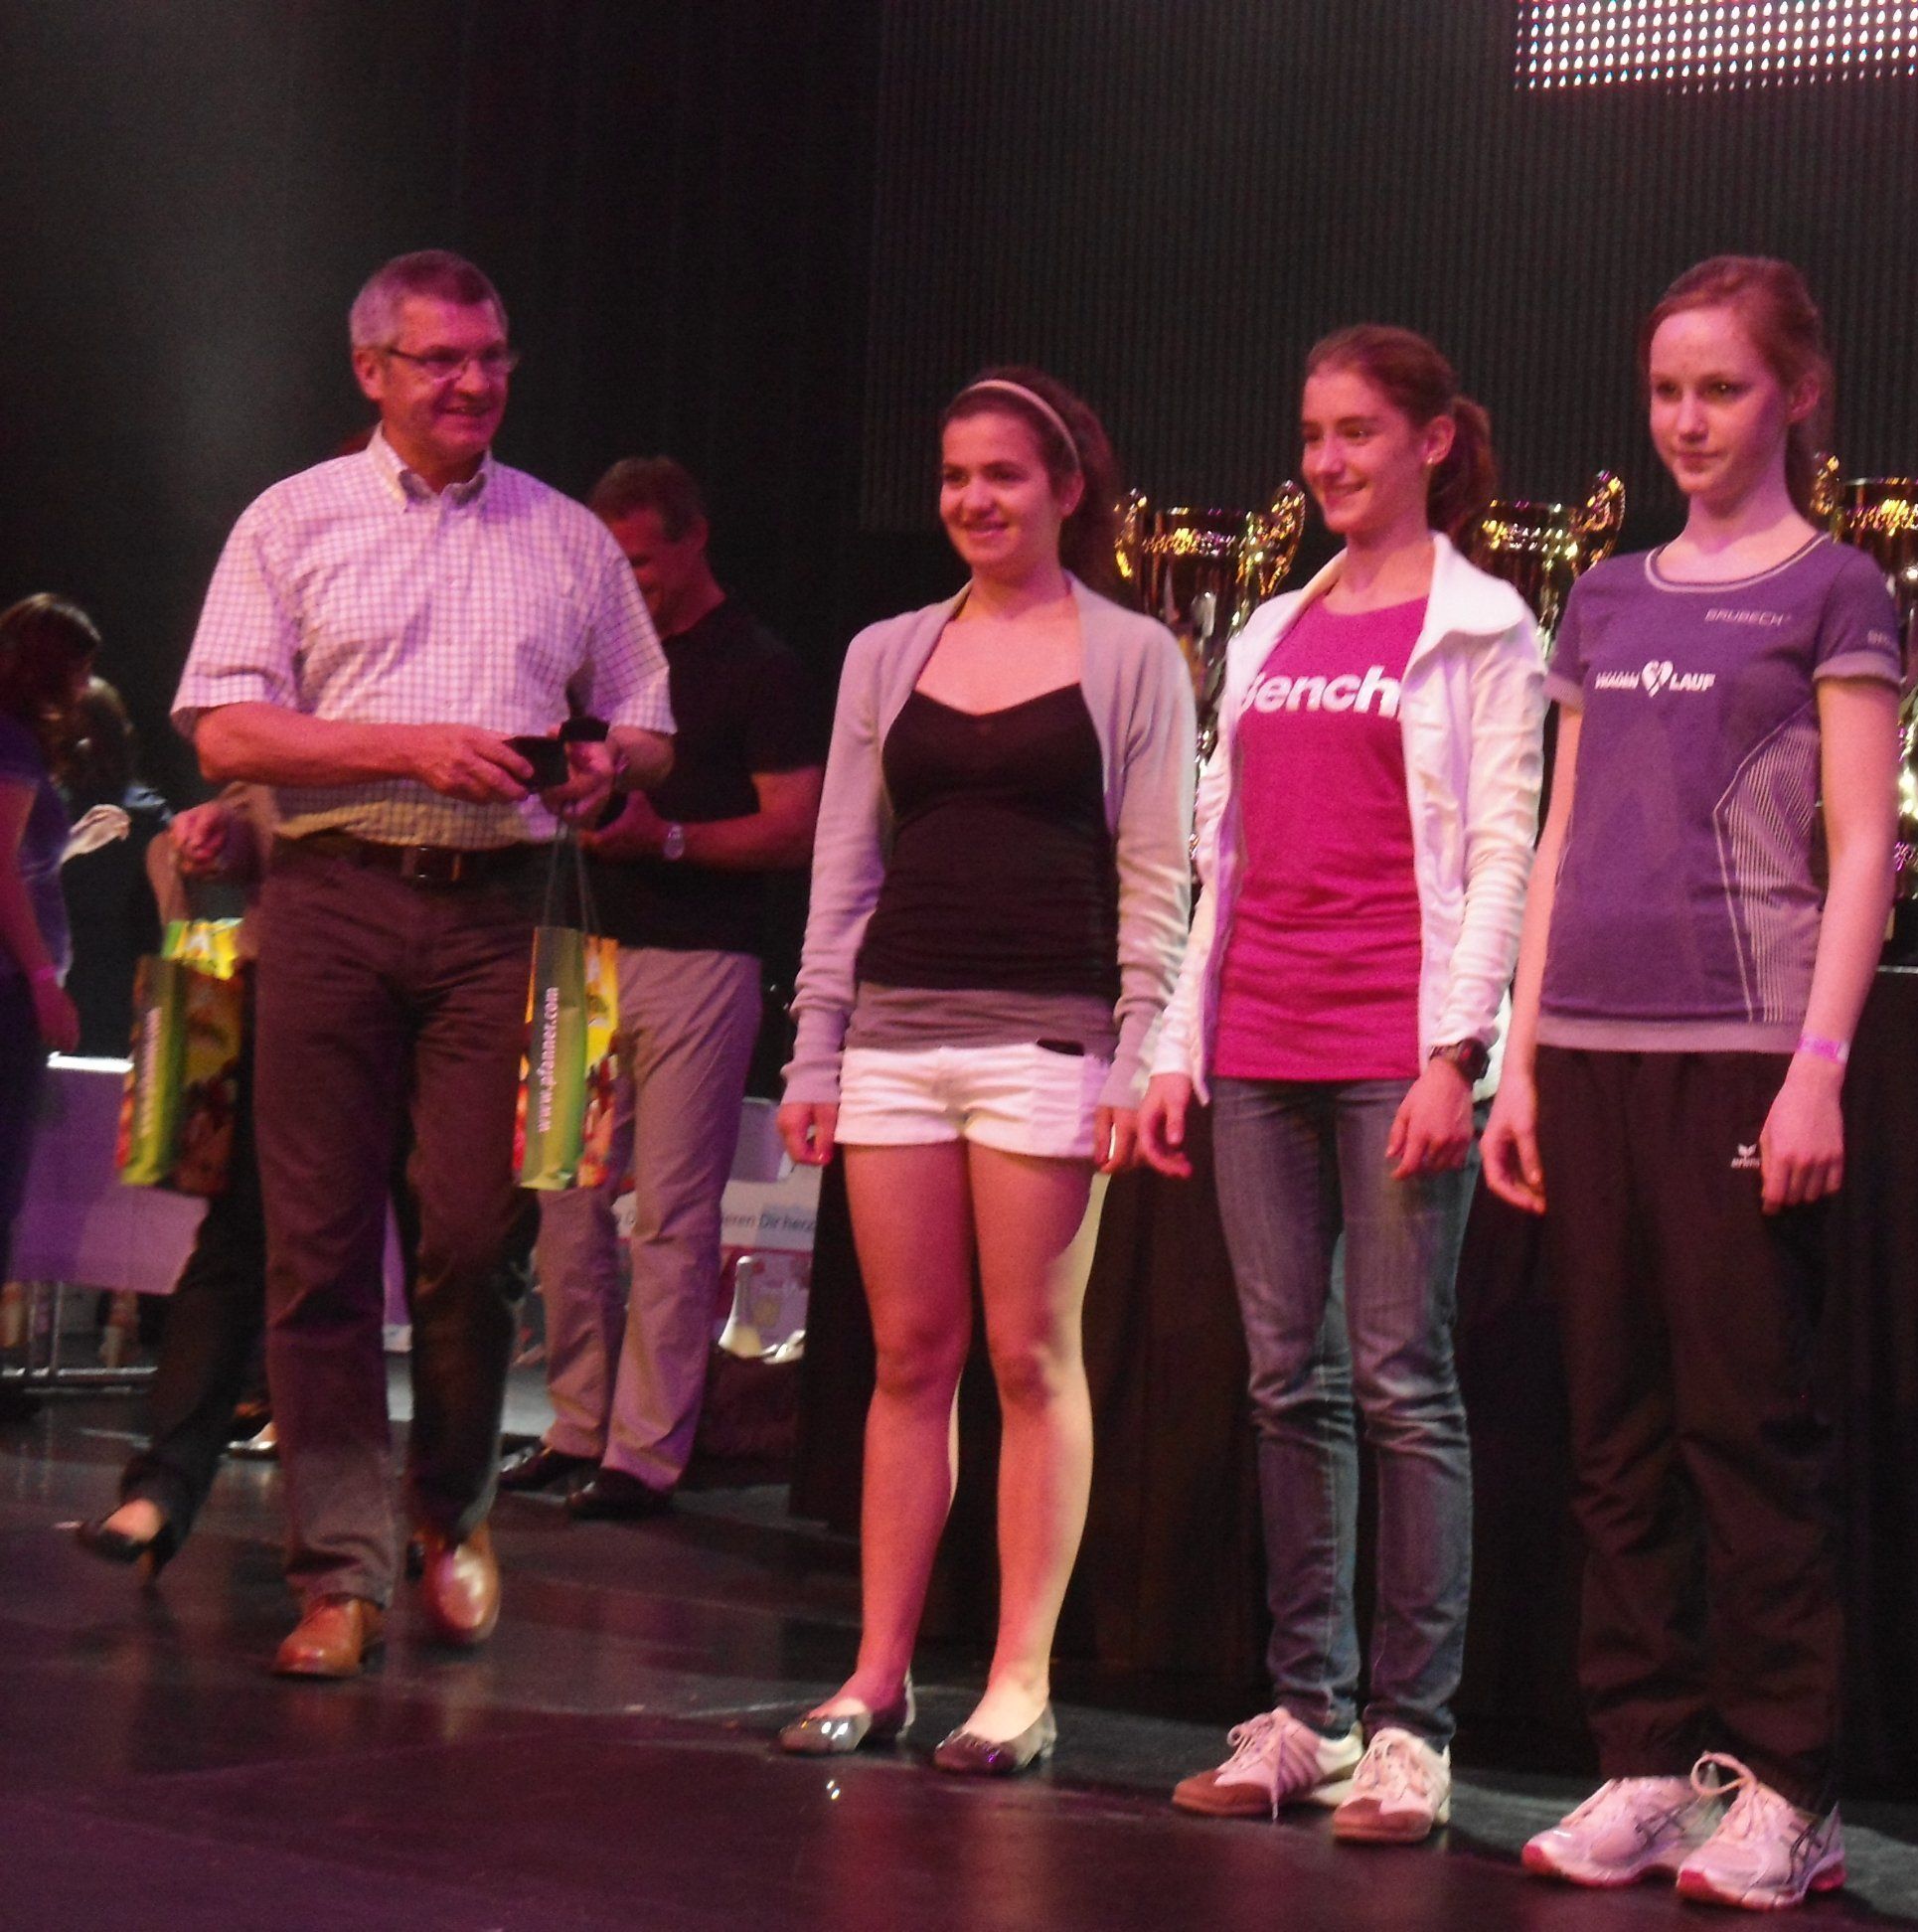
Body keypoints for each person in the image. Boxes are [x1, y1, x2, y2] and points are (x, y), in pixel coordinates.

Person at [171, 248, 674, 1680]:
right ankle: (338, 1572)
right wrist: (406, 748)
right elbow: (224, 730)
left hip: (499, 910)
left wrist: (608, 765)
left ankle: (448, 1512)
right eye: (441, 359)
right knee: (318, 1247)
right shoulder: (292, 518)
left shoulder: (566, 535)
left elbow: (648, 718)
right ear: (372, 371)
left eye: (492, 356)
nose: (473, 382)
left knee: (472, 1236)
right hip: (330, 898)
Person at [1481, 256, 1901, 1910]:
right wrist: (1518, 1060)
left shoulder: (1837, 589)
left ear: (1795, 393)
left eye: (1720, 388)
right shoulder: (1604, 595)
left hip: (1741, 1046)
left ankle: (1787, 1786)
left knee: (1747, 1427)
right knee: (1613, 1429)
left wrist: (1817, 1066)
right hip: (1588, 1052)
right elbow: (1557, 839)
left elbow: (1861, 848)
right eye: (1667, 390)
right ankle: (1646, 1763)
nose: (1688, 419)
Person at [1138, 326, 1545, 1845]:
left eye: (1358, 432)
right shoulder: (1269, 626)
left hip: (1393, 1048)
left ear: (1432, 442)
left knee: (1398, 1379)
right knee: (1281, 1380)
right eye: (1314, 434)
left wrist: (1457, 1053)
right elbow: (1221, 855)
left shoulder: (1485, 626)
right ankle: (1305, 1712)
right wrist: (1176, 1045)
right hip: (1259, 1041)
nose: (1327, 462)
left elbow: (1501, 853)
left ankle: (1411, 1732)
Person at [773, 368, 1193, 1776]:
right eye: (955, 476)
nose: (974, 499)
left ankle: (1020, 1678)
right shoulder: (886, 652)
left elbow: (1157, 872)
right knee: (907, 1358)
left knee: (1028, 1358)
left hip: (1048, 1044)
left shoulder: (1134, 653)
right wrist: (816, 1046)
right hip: (895, 1039)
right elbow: (845, 865)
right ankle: (878, 1670)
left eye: (1003, 474)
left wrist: (1138, 1050)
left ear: (1067, 488)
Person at [501, 457, 825, 1519]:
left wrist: (670, 838)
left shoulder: (759, 666)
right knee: (563, 1202)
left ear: (695, 542)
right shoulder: (588, 659)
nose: (622, 580)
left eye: (639, 561)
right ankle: (577, 1426)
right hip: (576, 951)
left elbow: (799, 826)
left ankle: (643, 1453)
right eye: (609, 560)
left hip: (698, 955)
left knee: (673, 1215)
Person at [74, 786, 277, 1574]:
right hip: (283, 971)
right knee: (234, 1238)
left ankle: (443, 1512)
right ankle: (161, 1488)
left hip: (439, 968)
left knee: (445, 1249)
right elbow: (247, 791)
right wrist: (215, 830)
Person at [0, 595, 101, 1295]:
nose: (86, 687)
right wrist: (41, 981)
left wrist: (72, 843)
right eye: (81, 670)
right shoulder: (12, 742)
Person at [59, 677, 173, 1055]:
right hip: (117, 995)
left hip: (67, 988)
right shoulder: (146, 816)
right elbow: (176, 919)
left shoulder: (40, 810)